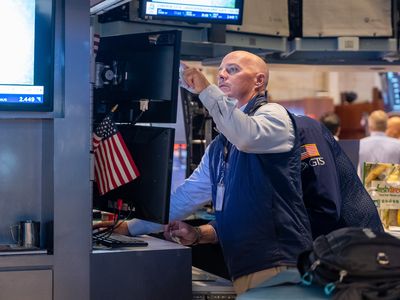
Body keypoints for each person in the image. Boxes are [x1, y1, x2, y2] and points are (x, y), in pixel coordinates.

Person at [97, 50, 314, 295]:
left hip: (278, 262)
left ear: (259, 81)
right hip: (246, 265)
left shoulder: (273, 116)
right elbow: (185, 198)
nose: (221, 75)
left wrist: (205, 90)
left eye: (232, 70)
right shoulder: (219, 148)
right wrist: (129, 227)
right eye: (220, 70)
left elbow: (246, 135)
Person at [358, 110, 400, 177]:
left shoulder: (358, 145)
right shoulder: (398, 145)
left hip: (363, 186)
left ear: (369, 126)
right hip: (393, 187)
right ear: (386, 125)